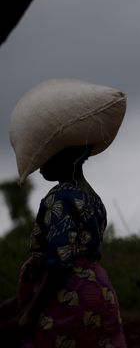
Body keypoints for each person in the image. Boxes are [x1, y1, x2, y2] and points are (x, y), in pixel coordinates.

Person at [5, 144, 126, 347]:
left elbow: (59, 262)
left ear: (67, 158)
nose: (40, 165)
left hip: (68, 293)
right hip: (99, 291)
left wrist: (31, 313)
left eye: (47, 156)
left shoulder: (60, 196)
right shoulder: (95, 199)